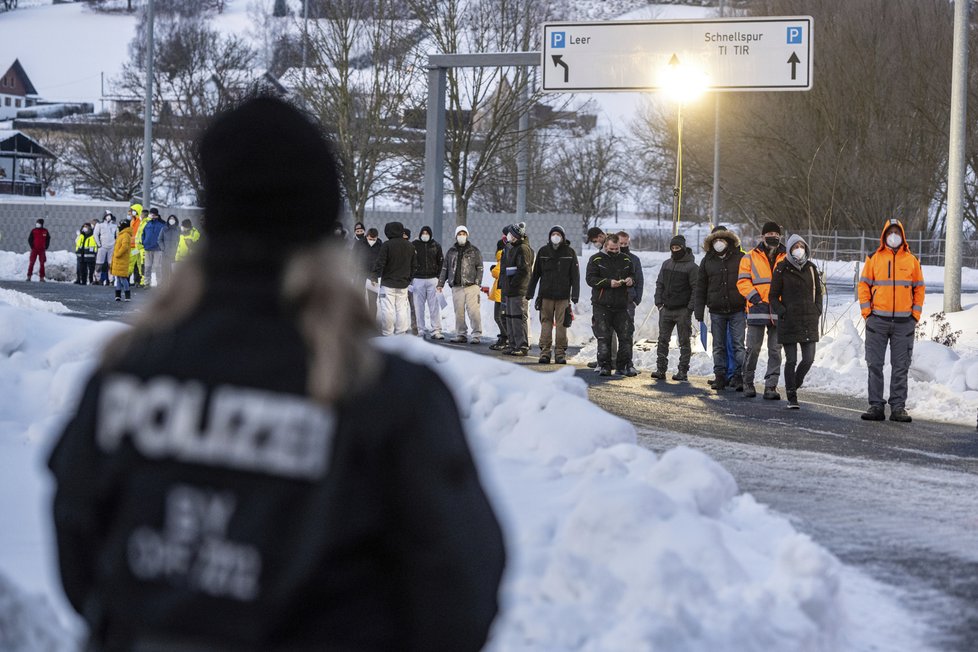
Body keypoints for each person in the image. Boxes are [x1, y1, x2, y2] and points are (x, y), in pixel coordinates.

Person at [48, 95, 505, 652]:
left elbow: (81, 562)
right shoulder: (385, 399)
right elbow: (458, 597)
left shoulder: (125, 375)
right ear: (320, 229)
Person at [857, 218, 925, 422]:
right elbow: (863, 287)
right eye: (890, 232)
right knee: (874, 364)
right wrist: (867, 314)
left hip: (904, 324)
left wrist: (915, 315)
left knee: (901, 366)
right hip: (877, 321)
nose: (893, 236)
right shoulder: (873, 259)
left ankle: (898, 407)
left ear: (902, 236)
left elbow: (919, 288)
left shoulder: (912, 260)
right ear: (884, 235)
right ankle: (875, 406)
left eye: (897, 232)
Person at [770, 234, 822, 409]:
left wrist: (817, 310)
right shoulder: (781, 268)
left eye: (801, 246)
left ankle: (794, 383)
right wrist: (782, 312)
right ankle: (792, 396)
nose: (798, 249)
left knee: (808, 359)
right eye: (795, 246)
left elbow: (819, 293)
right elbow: (772, 296)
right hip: (789, 321)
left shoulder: (811, 268)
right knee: (791, 360)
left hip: (808, 319)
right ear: (790, 249)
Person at [738, 222, 787, 399]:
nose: (772, 236)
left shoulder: (787, 257)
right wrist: (754, 297)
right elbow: (742, 281)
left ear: (780, 236)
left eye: (776, 233)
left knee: (775, 350)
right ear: (762, 236)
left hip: (778, 310)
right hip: (757, 308)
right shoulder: (749, 257)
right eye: (769, 233)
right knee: (753, 348)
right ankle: (748, 382)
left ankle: (771, 386)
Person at [694, 228, 746, 391]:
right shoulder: (707, 261)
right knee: (718, 345)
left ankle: (739, 376)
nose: (719, 243)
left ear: (728, 241)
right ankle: (720, 376)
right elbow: (701, 287)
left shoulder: (740, 258)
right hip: (716, 310)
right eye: (716, 240)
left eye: (722, 240)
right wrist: (699, 310)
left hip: (737, 309)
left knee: (738, 345)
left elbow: (747, 281)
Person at [586, 234, 638, 377]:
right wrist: (608, 283)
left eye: (617, 249)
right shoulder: (595, 259)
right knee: (604, 337)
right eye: (611, 249)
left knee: (626, 336)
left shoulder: (626, 259)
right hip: (602, 304)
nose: (614, 251)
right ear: (606, 246)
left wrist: (630, 280)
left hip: (621, 304)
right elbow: (590, 279)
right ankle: (604, 365)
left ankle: (624, 366)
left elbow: (634, 276)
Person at [527, 225, 579, 364]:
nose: (555, 237)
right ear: (549, 236)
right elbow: (536, 274)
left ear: (563, 237)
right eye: (553, 234)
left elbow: (575, 276)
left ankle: (560, 353)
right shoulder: (543, 251)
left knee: (562, 325)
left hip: (563, 296)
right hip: (546, 295)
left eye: (558, 234)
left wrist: (575, 294)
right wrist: (530, 292)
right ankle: (545, 353)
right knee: (546, 323)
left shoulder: (570, 252)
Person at [652, 235, 698, 381]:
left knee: (684, 341)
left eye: (677, 248)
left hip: (682, 310)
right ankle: (660, 369)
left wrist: (689, 308)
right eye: (673, 248)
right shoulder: (666, 264)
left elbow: (696, 289)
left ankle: (683, 371)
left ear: (683, 248)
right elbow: (660, 283)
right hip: (665, 309)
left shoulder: (692, 267)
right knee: (662, 340)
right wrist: (658, 302)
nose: (675, 250)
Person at [438, 225, 483, 344]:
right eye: (459, 234)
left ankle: (476, 334)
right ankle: (461, 334)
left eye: (464, 234)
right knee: (459, 312)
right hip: (456, 286)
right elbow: (445, 269)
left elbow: (480, 267)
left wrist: (478, 283)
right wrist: (440, 283)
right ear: (456, 236)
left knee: (473, 311)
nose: (462, 236)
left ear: (467, 235)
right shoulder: (451, 251)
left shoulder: (474, 250)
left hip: (471, 286)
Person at [373, 221, 417, 336]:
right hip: (403, 284)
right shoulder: (410, 246)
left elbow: (380, 263)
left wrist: (374, 275)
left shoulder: (386, 245)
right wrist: (408, 278)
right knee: (401, 309)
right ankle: (401, 333)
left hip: (388, 283)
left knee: (387, 309)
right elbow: (414, 265)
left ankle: (388, 333)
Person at [501, 222, 533, 357]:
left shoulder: (523, 248)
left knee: (519, 318)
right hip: (509, 289)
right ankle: (513, 344)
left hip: (518, 290)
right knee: (510, 317)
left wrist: (513, 283)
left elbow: (523, 270)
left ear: (515, 235)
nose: (508, 236)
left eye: (510, 234)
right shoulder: (510, 247)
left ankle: (522, 345)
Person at [412, 225, 444, 340]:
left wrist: (439, 279)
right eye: (423, 233)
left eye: (427, 233)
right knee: (418, 306)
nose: (425, 235)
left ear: (430, 234)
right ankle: (421, 329)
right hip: (418, 279)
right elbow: (411, 261)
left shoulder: (436, 246)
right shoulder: (414, 245)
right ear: (420, 233)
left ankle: (436, 330)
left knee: (434, 306)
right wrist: (412, 276)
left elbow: (441, 263)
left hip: (432, 279)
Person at [488, 229, 509, 351]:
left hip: (502, 290)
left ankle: (506, 338)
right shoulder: (501, 256)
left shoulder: (506, 254)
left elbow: (499, 271)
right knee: (499, 317)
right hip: (499, 290)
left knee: (500, 317)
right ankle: (504, 337)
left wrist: (493, 270)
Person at [141, 208, 166, 287]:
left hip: (158, 249)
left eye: (152, 214)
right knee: (147, 267)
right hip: (148, 248)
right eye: (150, 214)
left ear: (156, 214)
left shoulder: (162, 224)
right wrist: (144, 242)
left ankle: (159, 283)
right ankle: (147, 283)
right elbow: (143, 234)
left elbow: (164, 236)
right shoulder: (148, 223)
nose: (151, 215)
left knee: (158, 267)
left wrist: (162, 246)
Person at [362, 227, 383, 318]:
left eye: (374, 239)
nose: (372, 241)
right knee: (360, 298)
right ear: (367, 236)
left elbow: (381, 261)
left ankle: (372, 319)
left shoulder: (380, 245)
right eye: (370, 239)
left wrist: (377, 274)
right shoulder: (360, 244)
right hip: (361, 274)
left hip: (373, 276)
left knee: (372, 300)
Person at [110, 218, 132, 301]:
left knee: (123, 278)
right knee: (118, 278)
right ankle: (118, 295)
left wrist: (118, 254)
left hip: (121, 259)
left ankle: (127, 295)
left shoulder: (125, 235)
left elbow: (124, 246)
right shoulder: (121, 234)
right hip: (118, 260)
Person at [94, 212, 118, 286]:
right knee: (99, 263)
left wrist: (115, 244)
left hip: (112, 247)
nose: (108, 217)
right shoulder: (99, 225)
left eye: (110, 216)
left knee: (111, 264)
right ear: (104, 216)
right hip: (102, 247)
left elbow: (117, 235)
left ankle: (111, 280)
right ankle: (97, 279)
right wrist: (99, 244)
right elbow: (95, 234)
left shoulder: (114, 225)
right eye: (107, 216)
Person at [157, 214, 181, 285]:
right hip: (165, 254)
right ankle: (164, 286)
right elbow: (159, 239)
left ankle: (173, 286)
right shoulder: (164, 229)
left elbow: (181, 240)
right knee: (165, 271)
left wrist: (177, 248)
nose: (171, 220)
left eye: (173, 219)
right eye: (170, 219)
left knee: (174, 272)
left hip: (175, 254)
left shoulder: (178, 229)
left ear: (175, 220)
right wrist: (163, 248)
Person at [26, 218, 50, 282]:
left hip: (42, 250)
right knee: (32, 262)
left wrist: (46, 247)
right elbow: (29, 239)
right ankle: (29, 276)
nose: (37, 224)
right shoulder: (34, 230)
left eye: (38, 223)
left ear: (41, 224)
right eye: (37, 223)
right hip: (34, 249)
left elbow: (48, 239)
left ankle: (41, 277)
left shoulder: (45, 231)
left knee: (42, 263)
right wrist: (32, 246)